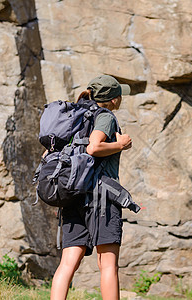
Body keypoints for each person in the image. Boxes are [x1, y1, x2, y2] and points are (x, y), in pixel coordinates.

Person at [50, 75, 132, 300]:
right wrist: (120, 145)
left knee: (68, 263)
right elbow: (94, 147)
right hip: (101, 197)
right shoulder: (105, 116)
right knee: (107, 265)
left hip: (73, 194)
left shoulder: (74, 116)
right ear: (114, 100)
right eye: (119, 95)